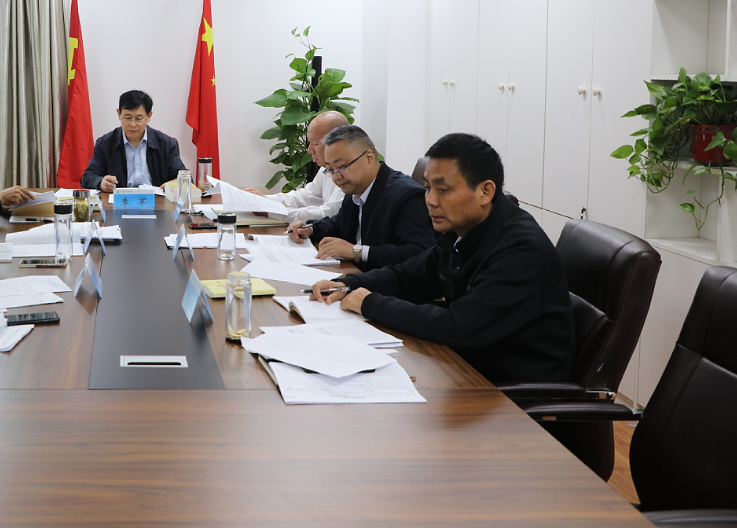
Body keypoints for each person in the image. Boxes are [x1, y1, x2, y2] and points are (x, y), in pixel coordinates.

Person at [308, 133, 574, 384]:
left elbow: (460, 326)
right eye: (428, 188)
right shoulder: (463, 231)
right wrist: (348, 284)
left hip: (509, 389)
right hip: (466, 365)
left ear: (485, 192)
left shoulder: (520, 248)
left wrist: (370, 303)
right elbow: (409, 277)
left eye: (443, 190)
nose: (430, 200)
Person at [289, 124, 434, 269]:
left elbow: (417, 253)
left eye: (341, 167)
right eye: (331, 170)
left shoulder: (406, 196)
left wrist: (356, 252)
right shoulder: (356, 188)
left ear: (369, 158)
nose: (336, 177)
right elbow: (340, 223)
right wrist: (311, 228)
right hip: (357, 274)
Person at [244, 110, 348, 225]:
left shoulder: (350, 174)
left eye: (315, 144)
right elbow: (304, 197)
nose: (309, 150)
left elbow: (326, 214)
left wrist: (271, 211)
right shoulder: (325, 169)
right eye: (309, 143)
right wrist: (264, 200)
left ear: (337, 144)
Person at [80, 89, 188, 192]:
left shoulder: (166, 144)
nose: (132, 124)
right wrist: (101, 182)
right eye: (127, 118)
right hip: (119, 201)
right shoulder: (105, 144)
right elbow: (88, 177)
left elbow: (186, 178)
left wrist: (176, 183)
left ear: (149, 116)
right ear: (119, 114)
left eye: (138, 119)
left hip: (156, 201)